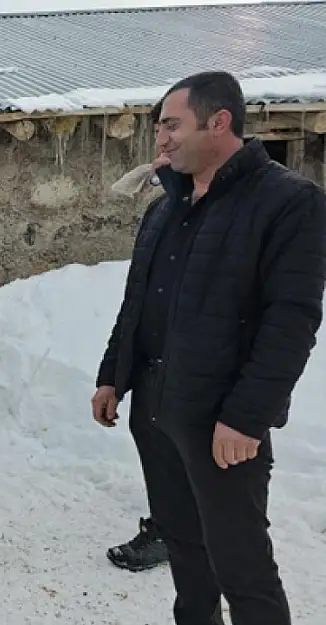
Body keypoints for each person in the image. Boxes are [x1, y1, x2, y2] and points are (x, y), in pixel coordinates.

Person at [92, 70, 325, 625]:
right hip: (154, 411)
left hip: (221, 424)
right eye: (157, 130)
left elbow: (290, 322)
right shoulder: (164, 207)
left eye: (172, 125)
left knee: (241, 565)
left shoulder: (289, 202)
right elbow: (137, 303)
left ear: (219, 122)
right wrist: (112, 375)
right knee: (184, 550)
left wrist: (247, 418)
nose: (162, 140)